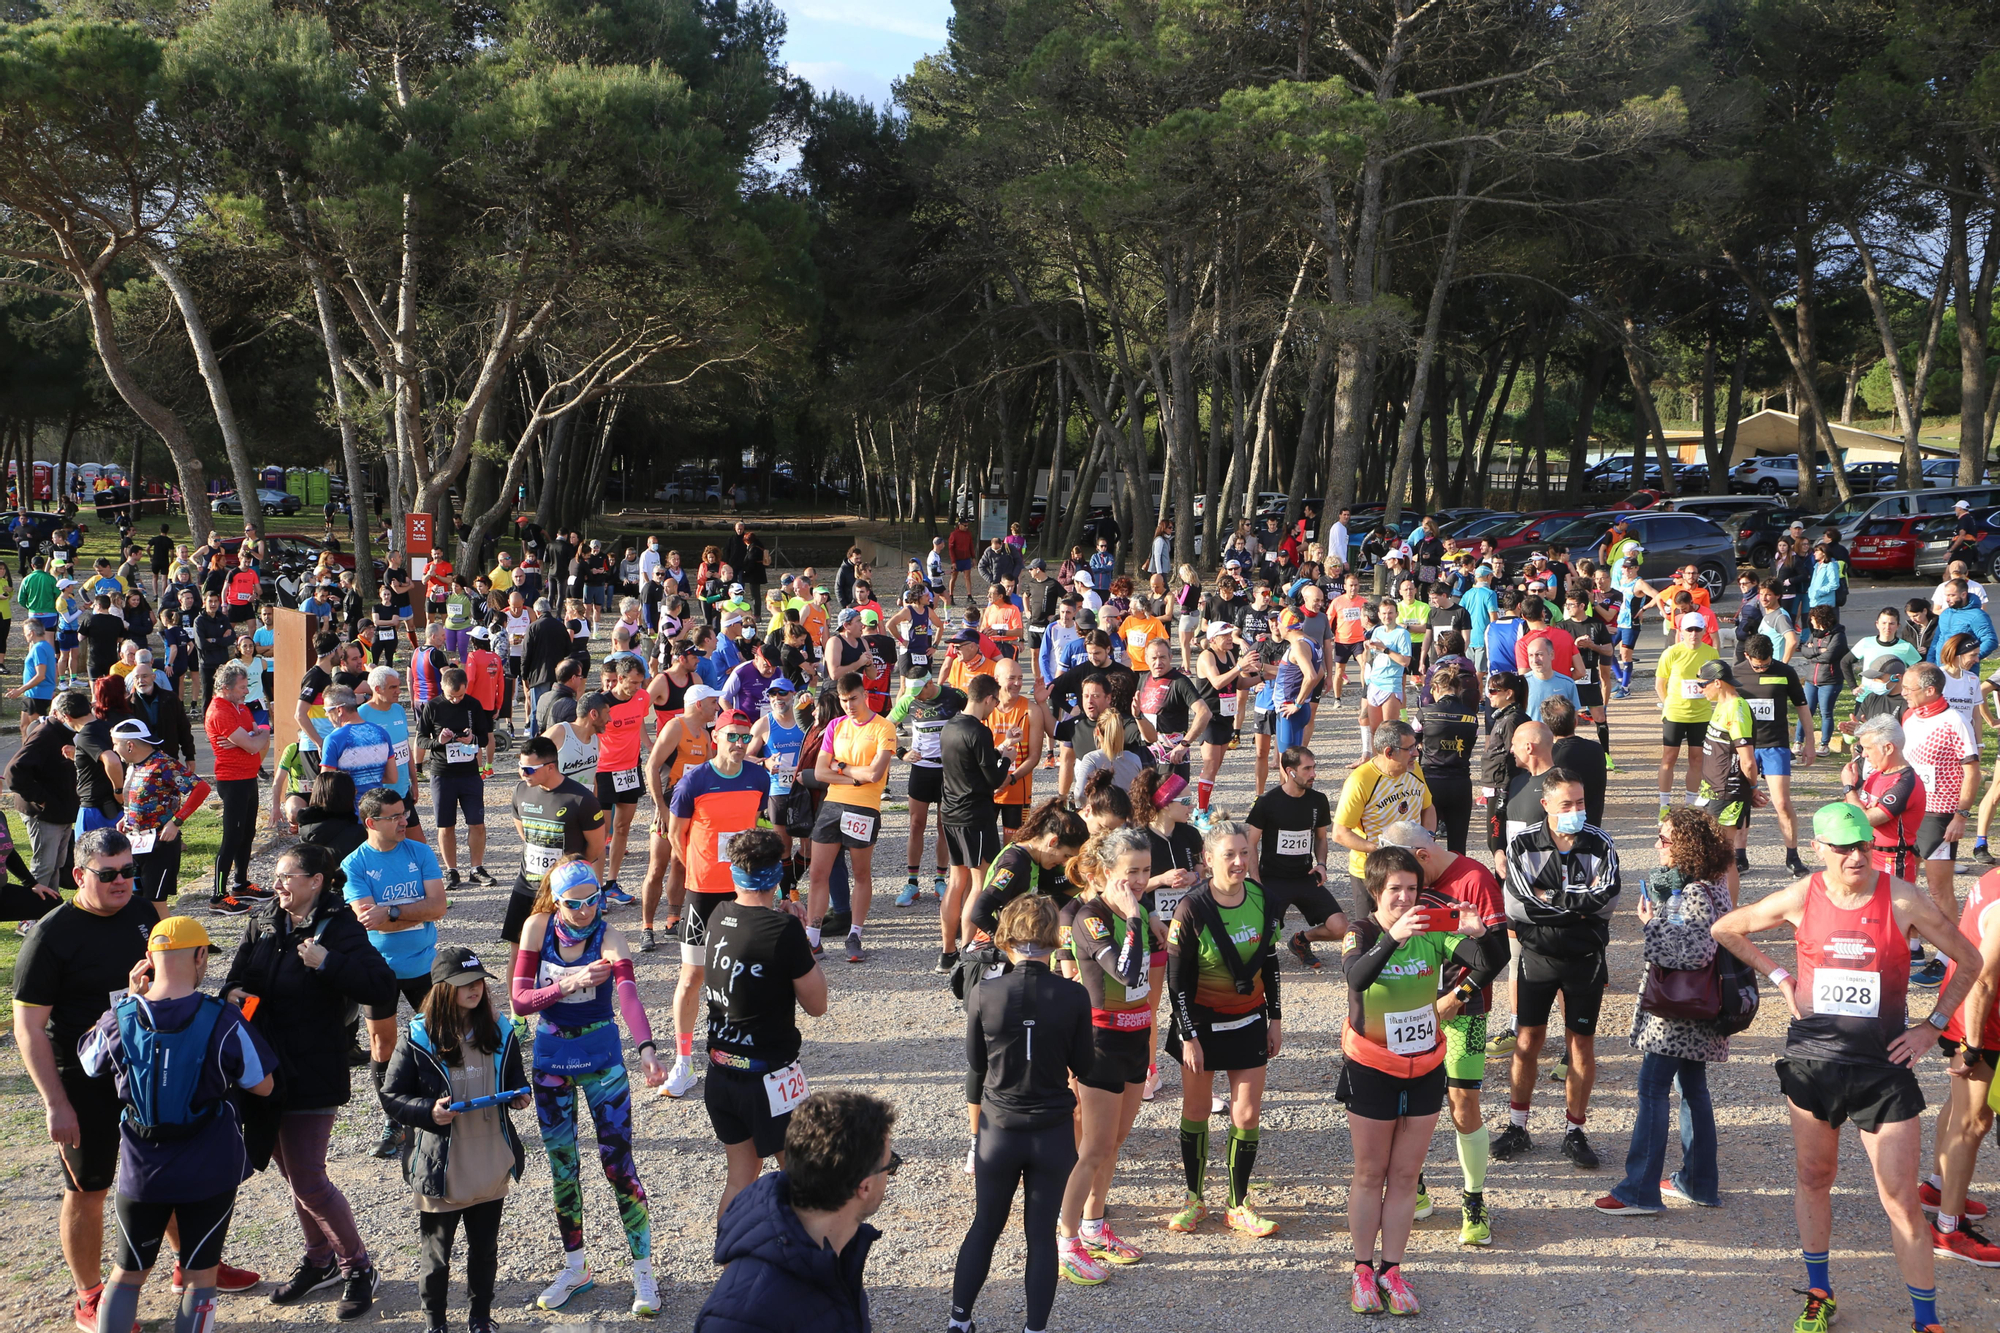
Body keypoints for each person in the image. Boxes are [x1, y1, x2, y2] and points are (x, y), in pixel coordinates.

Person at [1711, 802, 1983, 1333]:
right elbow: (1727, 928)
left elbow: (1969, 959)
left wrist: (1934, 1024)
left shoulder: (1900, 896)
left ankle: (1925, 1319)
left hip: (1883, 1070)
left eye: (1863, 845)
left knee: (1901, 1198)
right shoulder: (1801, 896)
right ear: (1818, 850)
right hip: (1814, 1063)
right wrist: (1781, 977)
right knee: (1815, 1178)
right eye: (1843, 848)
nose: (1856, 856)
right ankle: (1819, 1292)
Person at [76, 913, 276, 1333]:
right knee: (200, 1278)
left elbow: (90, 1063)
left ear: (148, 958)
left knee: (127, 1274)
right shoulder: (222, 1018)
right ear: (201, 956)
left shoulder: (120, 1018)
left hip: (141, 1172)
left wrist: (127, 1000)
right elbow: (263, 1086)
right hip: (209, 1169)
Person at [221, 843, 391, 1317]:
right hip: (263, 1071)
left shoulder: (338, 928)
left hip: (314, 1068)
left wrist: (327, 963)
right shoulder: (263, 920)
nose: (277, 885)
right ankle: (320, 1261)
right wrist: (231, 992)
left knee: (309, 1179)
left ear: (316, 881)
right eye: (276, 876)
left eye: (286, 876)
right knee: (295, 1176)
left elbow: (381, 986)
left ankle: (358, 1266)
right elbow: (236, 978)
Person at [1337, 845, 1491, 1315]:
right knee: (1370, 1172)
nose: (1406, 898)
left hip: (1424, 1067)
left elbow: (1485, 962)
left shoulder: (1430, 931)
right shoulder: (1361, 931)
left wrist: (1477, 933)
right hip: (1371, 1067)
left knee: (1404, 1176)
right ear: (1375, 892)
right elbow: (1356, 977)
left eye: (1413, 889)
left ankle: (1392, 1269)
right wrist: (1392, 939)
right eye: (1395, 890)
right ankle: (1363, 1270)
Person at [510, 858, 665, 1314]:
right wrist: (572, 981)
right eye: (575, 903)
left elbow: (629, 997)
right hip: (552, 1061)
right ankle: (576, 1268)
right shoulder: (537, 927)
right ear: (557, 902)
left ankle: (644, 1275)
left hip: (602, 1061)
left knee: (619, 1166)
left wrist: (647, 1049)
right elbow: (520, 1002)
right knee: (563, 1167)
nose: (585, 910)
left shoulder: (609, 936)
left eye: (593, 899)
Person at [953, 894, 1094, 1319]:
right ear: (1054, 939)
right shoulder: (1073, 996)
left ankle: (959, 1320)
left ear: (1006, 938)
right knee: (1040, 1236)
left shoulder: (984, 992)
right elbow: (1084, 1065)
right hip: (1051, 1130)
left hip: (999, 1128)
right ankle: (1034, 1328)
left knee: (985, 1226)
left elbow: (977, 1064)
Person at [377, 945, 530, 1333]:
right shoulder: (417, 1036)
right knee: (437, 1256)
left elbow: (514, 1077)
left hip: (491, 1158)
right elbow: (392, 1096)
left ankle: (480, 1319)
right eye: (465, 984)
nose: (475, 990)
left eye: (478, 981)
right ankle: (436, 1325)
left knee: (485, 1250)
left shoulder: (500, 1028)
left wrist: (519, 1095)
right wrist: (428, 1111)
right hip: (441, 1165)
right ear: (443, 988)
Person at [1594, 808, 1733, 1216]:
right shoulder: (1711, 885)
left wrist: (1651, 923)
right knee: (1692, 1091)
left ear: (1686, 845)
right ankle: (1698, 1182)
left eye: (1665, 838)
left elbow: (1694, 951)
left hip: (1678, 1015)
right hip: (1697, 1011)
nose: (1658, 845)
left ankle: (1638, 1191)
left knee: (1652, 1091)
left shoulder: (1694, 893)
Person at [1376, 822, 1508, 1246]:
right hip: (1411, 1011)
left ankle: (1473, 1200)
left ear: (1423, 855)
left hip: (1461, 1010)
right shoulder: (1401, 885)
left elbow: (1498, 954)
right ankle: (1412, 1186)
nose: (1404, 888)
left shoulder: (1474, 879)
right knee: (1407, 1103)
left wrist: (1458, 995)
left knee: (1463, 1103)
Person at [1492, 768, 1621, 1169]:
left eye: (1580, 803)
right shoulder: (1523, 844)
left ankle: (1575, 1131)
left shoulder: (1600, 844)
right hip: (1538, 960)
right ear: (1546, 805)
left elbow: (1607, 901)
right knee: (1527, 1042)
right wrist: (1576, 907)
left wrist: (1552, 899)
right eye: (1567, 804)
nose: (1576, 811)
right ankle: (1518, 1126)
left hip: (1584, 961)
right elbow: (1519, 906)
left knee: (1580, 1045)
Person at [692, 1089, 897, 1333]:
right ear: (865, 1186)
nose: (890, 1174)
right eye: (890, 1165)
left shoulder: (838, 1252)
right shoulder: (740, 1318)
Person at [1164, 819, 1283, 1238]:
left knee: (1247, 1114)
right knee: (1196, 1111)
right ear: (1208, 860)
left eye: (1244, 853)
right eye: (1229, 855)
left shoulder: (1262, 899)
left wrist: (1276, 1017)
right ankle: (1194, 1200)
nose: (1239, 861)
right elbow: (1176, 981)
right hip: (1202, 1024)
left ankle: (1237, 1204)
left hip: (1250, 1020)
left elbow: (1269, 963)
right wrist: (1188, 1036)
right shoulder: (1190, 908)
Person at [700, 828, 828, 1218]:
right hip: (770, 1079)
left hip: (721, 1074)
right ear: (777, 875)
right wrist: (800, 935)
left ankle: (730, 1266)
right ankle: (805, 1269)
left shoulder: (719, 915)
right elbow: (817, 1004)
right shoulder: (784, 931)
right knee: (801, 1177)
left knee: (740, 1178)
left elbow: (751, 932)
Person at [1053, 829, 1155, 1282]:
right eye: (1130, 872)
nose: (1138, 880)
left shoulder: (1136, 910)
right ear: (1105, 873)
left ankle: (1094, 1226)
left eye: (1145, 871)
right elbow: (1126, 970)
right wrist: (1135, 918)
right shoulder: (1090, 918)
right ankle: (1067, 1238)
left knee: (1113, 1144)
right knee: (1092, 1149)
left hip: (1136, 1039)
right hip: (1099, 1045)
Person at [658, 708, 772, 1098]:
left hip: (746, 892)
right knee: (692, 977)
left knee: (750, 973)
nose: (740, 744)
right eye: (732, 736)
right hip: (703, 892)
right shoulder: (694, 780)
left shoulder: (760, 777)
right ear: (715, 738)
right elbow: (677, 835)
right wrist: (701, 868)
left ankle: (745, 1049)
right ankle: (684, 1060)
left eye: (745, 737)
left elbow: (756, 826)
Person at [343, 785, 447, 1159]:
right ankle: (394, 1120)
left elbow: (438, 907)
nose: (405, 820)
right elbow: (366, 920)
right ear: (372, 822)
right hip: (378, 968)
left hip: (423, 963)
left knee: (436, 1036)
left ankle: (440, 1108)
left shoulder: (419, 852)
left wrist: (393, 912)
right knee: (381, 1044)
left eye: (404, 813)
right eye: (395, 817)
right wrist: (402, 911)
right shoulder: (354, 864)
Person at [806, 672, 898, 963]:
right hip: (833, 804)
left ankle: (854, 934)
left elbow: (875, 774)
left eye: (853, 699)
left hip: (864, 808)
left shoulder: (884, 727)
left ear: (864, 694)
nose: (849, 705)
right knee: (818, 873)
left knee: (861, 874)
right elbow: (820, 772)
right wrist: (855, 777)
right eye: (843, 700)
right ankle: (812, 938)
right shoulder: (835, 725)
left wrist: (841, 766)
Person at [1900, 662, 1979, 989]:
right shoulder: (1908, 716)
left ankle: (1947, 957)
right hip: (1910, 809)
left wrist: (1961, 816)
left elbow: (1973, 772)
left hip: (1940, 813)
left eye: (1909, 687)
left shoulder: (1954, 721)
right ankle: (1914, 945)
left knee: (1938, 888)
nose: (1903, 692)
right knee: (1906, 879)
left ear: (1930, 690)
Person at [939, 673, 1014, 973]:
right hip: (975, 815)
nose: (996, 705)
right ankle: (968, 951)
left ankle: (947, 952)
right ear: (987, 698)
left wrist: (997, 750)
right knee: (978, 882)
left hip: (950, 812)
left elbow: (969, 761)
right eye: (995, 700)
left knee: (955, 882)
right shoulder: (980, 731)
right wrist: (1006, 757)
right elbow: (994, 779)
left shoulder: (951, 726)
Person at [505, 736, 609, 943]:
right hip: (527, 885)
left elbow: (597, 846)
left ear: (551, 767)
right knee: (518, 949)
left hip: (564, 892)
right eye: (520, 767)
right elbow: (525, 834)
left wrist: (568, 872)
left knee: (563, 949)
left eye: (529, 769)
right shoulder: (521, 791)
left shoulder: (581, 799)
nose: (523, 774)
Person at [113, 715, 212, 918]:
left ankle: (167, 945)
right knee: (136, 899)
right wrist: (128, 818)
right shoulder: (134, 765)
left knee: (155, 902)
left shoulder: (163, 764)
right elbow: (138, 796)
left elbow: (201, 788)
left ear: (130, 745)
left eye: (116, 744)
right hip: (136, 841)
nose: (114, 749)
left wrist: (176, 822)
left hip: (159, 843)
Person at [416, 667, 494, 887]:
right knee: (445, 825)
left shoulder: (473, 705)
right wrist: (438, 741)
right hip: (443, 774)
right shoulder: (432, 707)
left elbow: (485, 739)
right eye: (451, 696)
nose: (456, 700)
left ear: (466, 688)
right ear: (442, 687)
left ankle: (476, 868)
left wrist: (472, 740)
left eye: (460, 695)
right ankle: (451, 870)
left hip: (469, 773)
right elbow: (421, 740)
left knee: (477, 823)